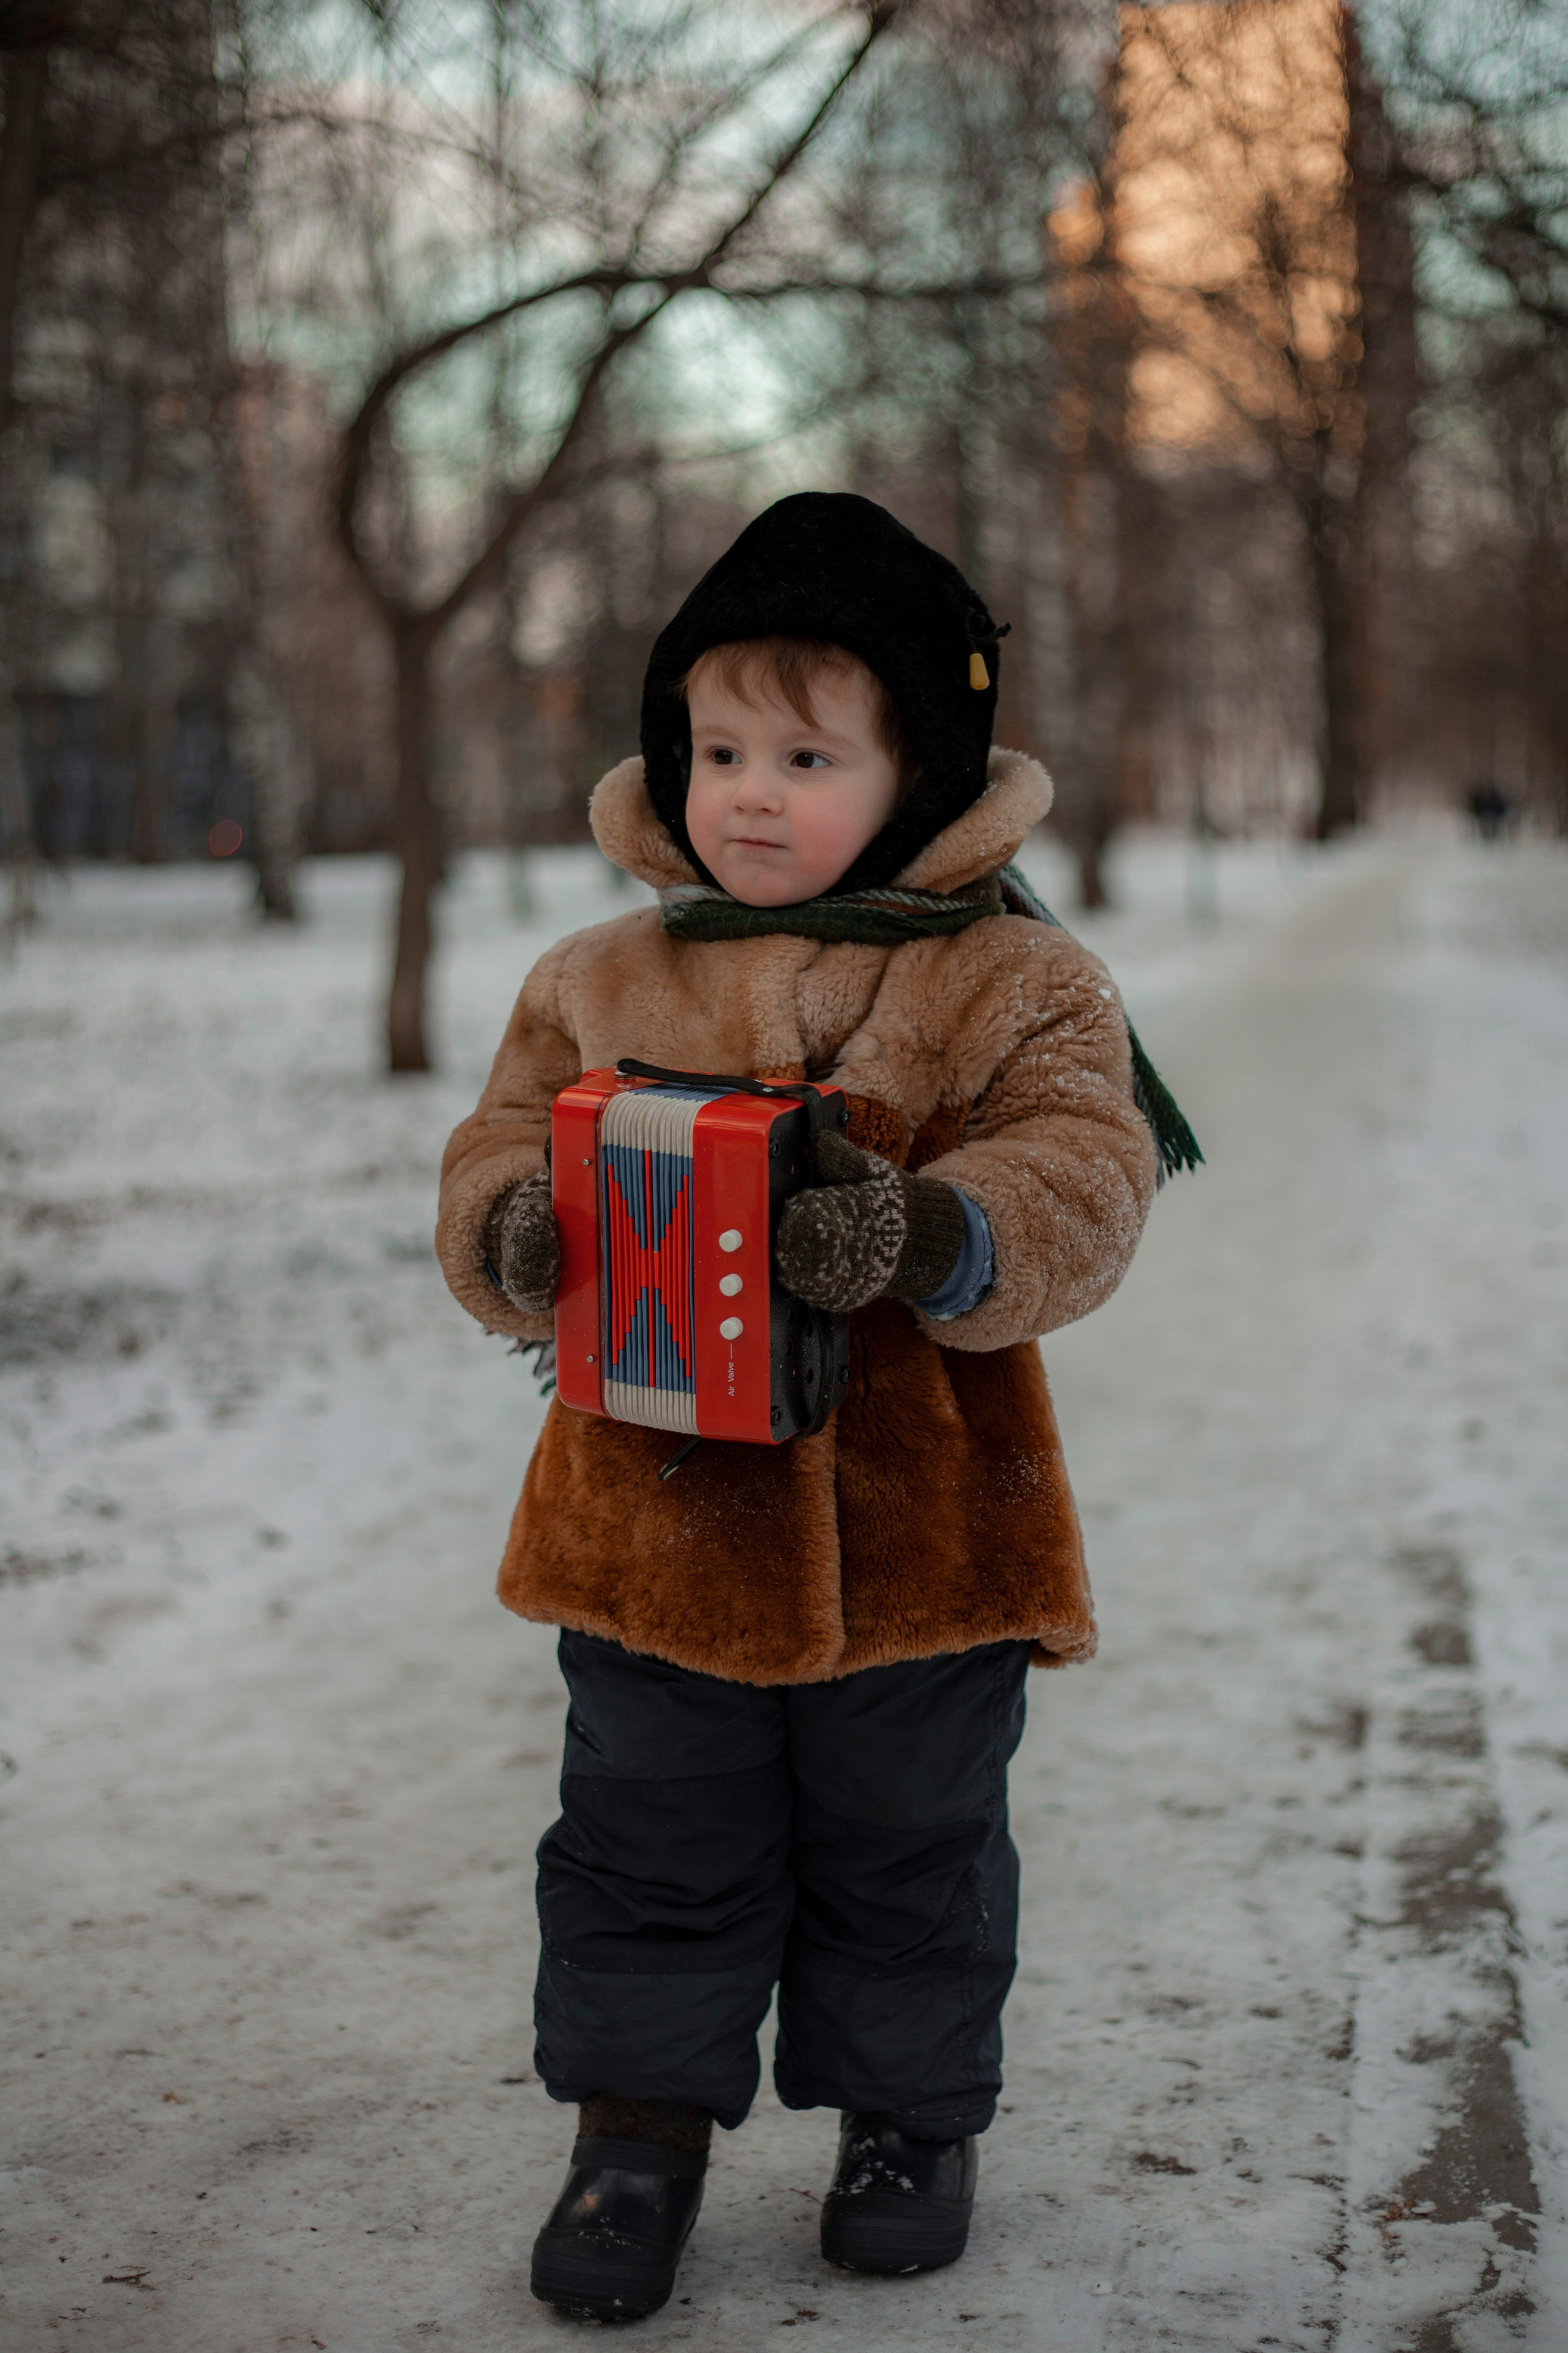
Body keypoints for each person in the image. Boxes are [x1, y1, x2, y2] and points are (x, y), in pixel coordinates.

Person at [436, 493, 1164, 2322]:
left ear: (916, 767)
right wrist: (514, 1229)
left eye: (808, 753)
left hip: (922, 1538)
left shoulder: (1017, 976)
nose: (749, 791)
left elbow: (1093, 1174)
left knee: (911, 1846)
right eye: (718, 746)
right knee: (644, 1835)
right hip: (651, 1527)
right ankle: (638, 2127)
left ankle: (910, 2118)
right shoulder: (604, 974)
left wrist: (936, 1225)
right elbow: (503, 1140)